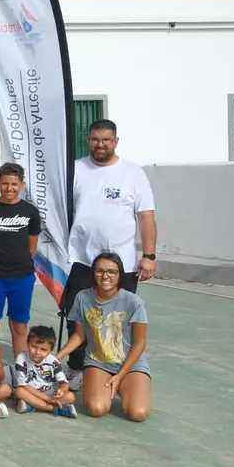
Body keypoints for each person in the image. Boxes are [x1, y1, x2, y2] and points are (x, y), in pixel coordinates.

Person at [63, 120, 157, 386]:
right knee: (78, 316)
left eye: (106, 140)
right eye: (95, 139)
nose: (100, 144)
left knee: (119, 319)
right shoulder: (75, 169)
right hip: (80, 259)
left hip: (122, 263)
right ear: (88, 141)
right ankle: (78, 367)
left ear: (116, 142)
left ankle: (120, 370)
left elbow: (146, 216)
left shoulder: (133, 172)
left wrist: (149, 256)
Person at [56, 251, 151, 422]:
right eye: (99, 271)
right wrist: (57, 356)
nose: (105, 276)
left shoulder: (133, 302)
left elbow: (140, 343)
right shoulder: (82, 297)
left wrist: (120, 375)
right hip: (98, 362)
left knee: (138, 413)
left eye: (111, 272)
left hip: (130, 365)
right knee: (97, 408)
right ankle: (108, 387)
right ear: (93, 273)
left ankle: (126, 385)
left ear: (120, 275)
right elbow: (79, 335)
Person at [0, 163, 42, 359]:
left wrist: (18, 263)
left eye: (14, 184)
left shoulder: (30, 211)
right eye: (5, 183)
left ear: (22, 185)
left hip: (22, 278)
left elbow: (32, 246)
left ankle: (21, 368)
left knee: (20, 326)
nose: (9, 188)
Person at [12, 325, 77, 418]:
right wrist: (48, 399)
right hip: (30, 392)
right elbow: (24, 385)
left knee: (70, 396)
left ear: (51, 350)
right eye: (34, 346)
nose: (37, 352)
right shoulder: (21, 358)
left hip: (49, 392)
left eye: (43, 349)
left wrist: (62, 390)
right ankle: (55, 409)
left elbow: (64, 383)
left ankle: (31, 406)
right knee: (19, 392)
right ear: (27, 343)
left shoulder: (53, 361)